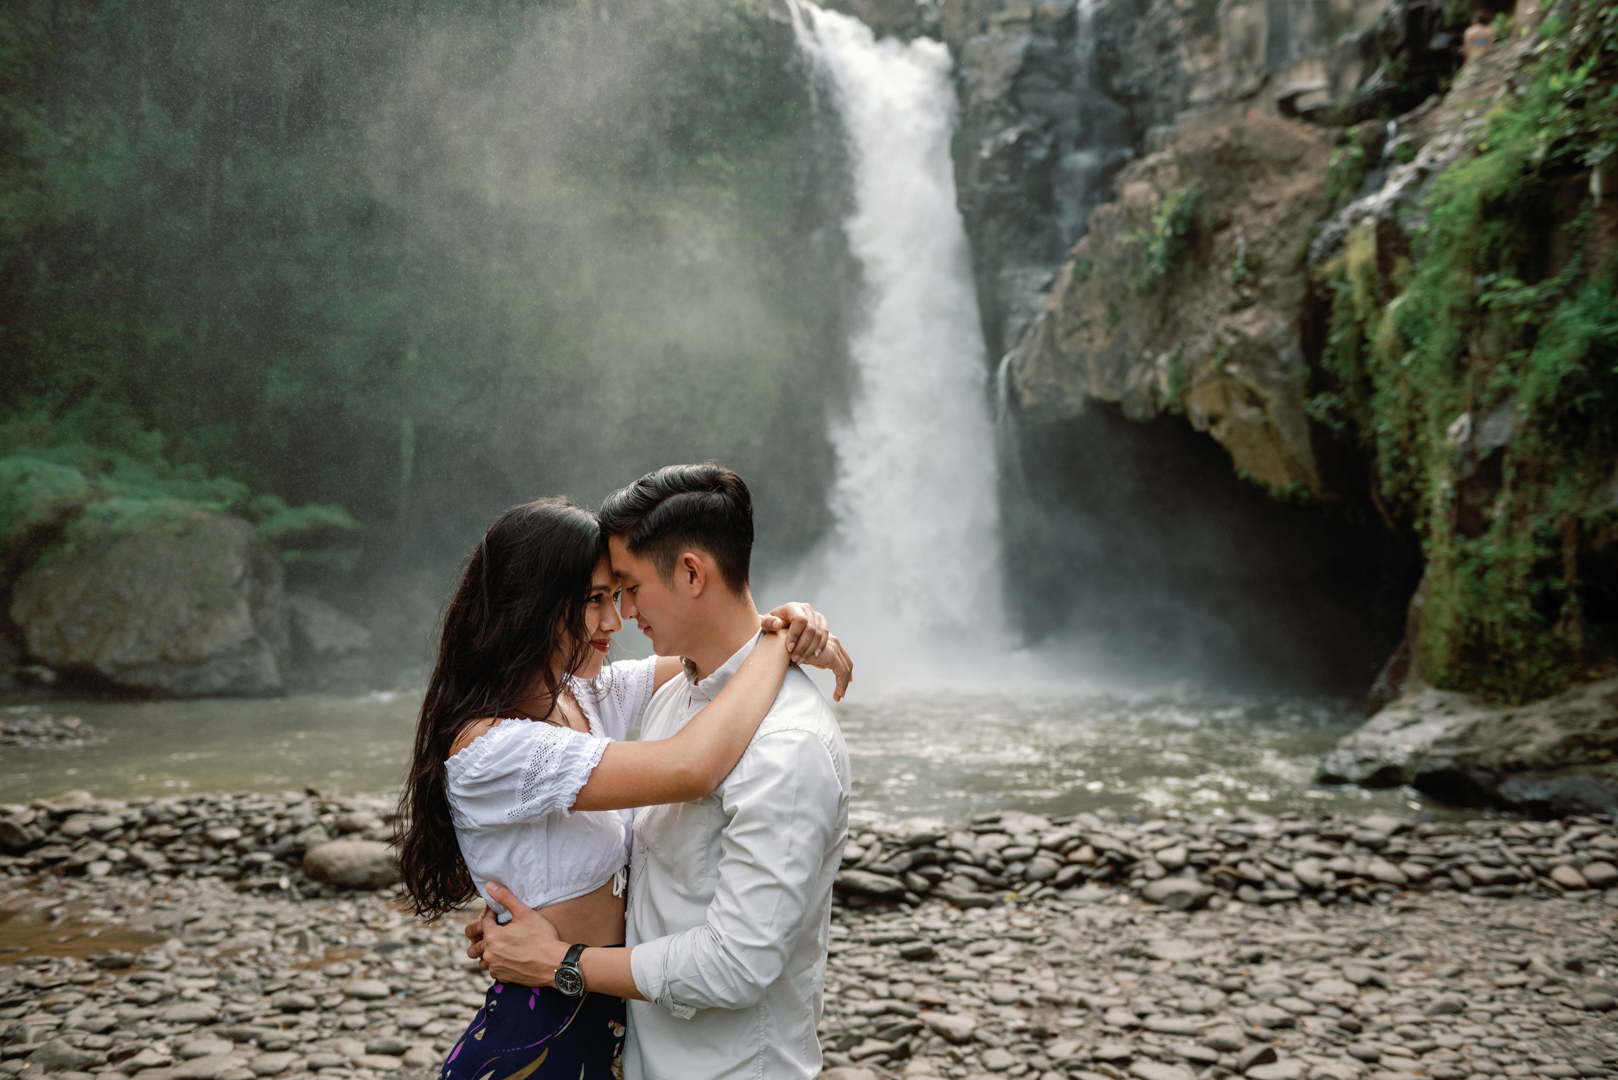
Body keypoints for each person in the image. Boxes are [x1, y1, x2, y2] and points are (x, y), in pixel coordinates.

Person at [395, 495, 852, 1080]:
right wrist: (778, 639)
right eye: (595, 600)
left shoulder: (581, 696)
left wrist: (793, 626)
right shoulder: (494, 748)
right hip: (544, 1021)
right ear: (531, 603)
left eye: (620, 594)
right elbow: (691, 765)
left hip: (610, 1011)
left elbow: (714, 659)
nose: (615, 620)